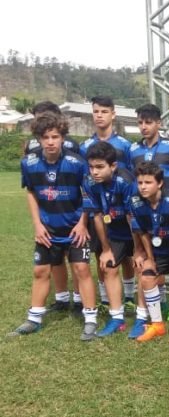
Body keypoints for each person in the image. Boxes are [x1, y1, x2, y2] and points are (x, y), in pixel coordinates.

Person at [10, 112, 98, 339]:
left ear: (62, 138)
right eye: (46, 137)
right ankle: (34, 318)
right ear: (38, 138)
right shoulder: (28, 163)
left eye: (55, 136)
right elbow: (31, 193)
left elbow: (88, 193)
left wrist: (82, 224)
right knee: (40, 271)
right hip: (47, 229)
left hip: (74, 228)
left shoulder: (77, 163)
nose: (50, 141)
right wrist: (37, 225)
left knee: (82, 269)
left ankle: (90, 318)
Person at [129, 103, 169, 328]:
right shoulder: (133, 150)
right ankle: (159, 303)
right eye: (140, 123)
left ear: (158, 123)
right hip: (148, 211)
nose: (144, 127)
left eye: (148, 122)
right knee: (152, 257)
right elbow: (133, 177)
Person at [24, 101, 82, 315]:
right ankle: (61, 297)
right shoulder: (30, 149)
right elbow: (31, 182)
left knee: (74, 257)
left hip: (71, 211)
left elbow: (82, 180)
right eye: (38, 117)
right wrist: (37, 221)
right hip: (48, 212)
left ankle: (78, 299)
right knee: (54, 257)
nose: (50, 140)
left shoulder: (73, 147)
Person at [81, 96, 137, 314]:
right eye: (96, 111)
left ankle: (130, 295)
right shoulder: (85, 145)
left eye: (104, 111)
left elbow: (132, 176)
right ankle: (106, 298)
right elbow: (84, 182)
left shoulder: (125, 145)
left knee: (129, 256)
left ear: (113, 114)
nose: (99, 115)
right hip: (100, 209)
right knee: (101, 252)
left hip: (122, 208)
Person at [128, 162, 169, 344]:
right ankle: (157, 324)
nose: (143, 187)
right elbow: (141, 232)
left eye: (148, 182)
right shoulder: (135, 202)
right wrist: (150, 258)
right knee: (147, 276)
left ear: (160, 184)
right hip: (160, 251)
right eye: (140, 183)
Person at [82, 142, 136, 339]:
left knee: (143, 267)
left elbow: (133, 217)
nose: (94, 172)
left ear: (113, 166)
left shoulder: (126, 182)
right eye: (91, 167)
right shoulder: (89, 183)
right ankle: (117, 318)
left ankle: (143, 317)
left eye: (99, 167)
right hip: (115, 232)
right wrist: (105, 249)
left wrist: (139, 250)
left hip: (136, 230)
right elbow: (96, 216)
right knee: (110, 267)